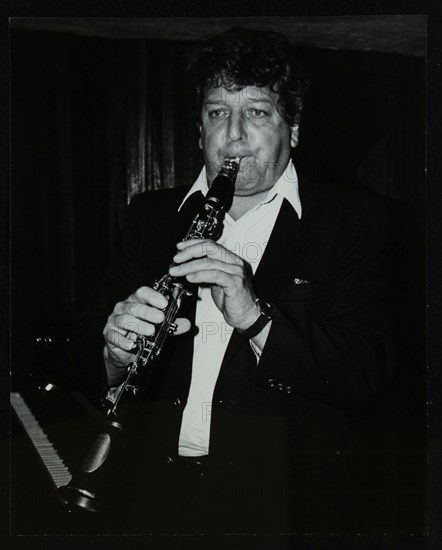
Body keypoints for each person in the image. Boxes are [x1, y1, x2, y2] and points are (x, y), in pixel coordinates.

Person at [72, 27, 395, 534]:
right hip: (154, 498)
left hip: (288, 510)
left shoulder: (354, 221)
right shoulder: (151, 216)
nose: (235, 135)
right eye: (218, 112)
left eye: (258, 112)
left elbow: (366, 374)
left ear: (294, 127)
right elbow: (86, 347)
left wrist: (254, 315)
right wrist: (114, 355)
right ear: (200, 129)